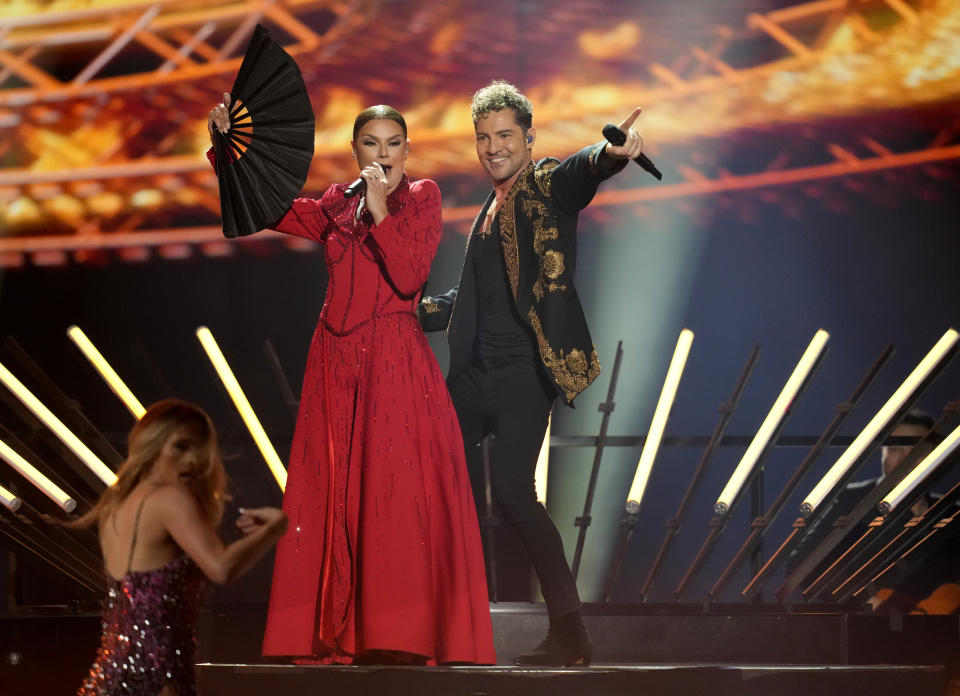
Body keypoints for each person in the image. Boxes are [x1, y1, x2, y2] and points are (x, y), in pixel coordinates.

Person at [207, 101, 495, 664]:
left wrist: (381, 208)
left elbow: (411, 274)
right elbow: (269, 208)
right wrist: (227, 150)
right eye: (371, 144)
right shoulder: (336, 204)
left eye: (393, 145)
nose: (382, 155)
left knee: (391, 490)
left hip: (394, 359)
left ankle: (398, 634)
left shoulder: (422, 198)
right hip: (334, 361)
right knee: (332, 490)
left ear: (407, 153)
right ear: (355, 150)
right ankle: (331, 631)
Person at [417, 80, 646, 666]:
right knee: (421, 470)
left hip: (525, 371)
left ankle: (571, 633)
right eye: (484, 137)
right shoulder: (488, 212)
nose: (493, 147)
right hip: (475, 375)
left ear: (528, 138)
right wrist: (410, 309)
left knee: (516, 494)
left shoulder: (543, 183)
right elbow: (471, 294)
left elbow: (578, 173)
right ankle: (416, 621)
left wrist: (610, 156)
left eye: (504, 136)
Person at [73, 399, 287, 696]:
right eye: (181, 447)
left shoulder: (117, 504)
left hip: (110, 678)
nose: (194, 461)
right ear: (152, 446)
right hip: (159, 678)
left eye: (200, 449)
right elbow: (222, 567)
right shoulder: (170, 498)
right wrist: (277, 527)